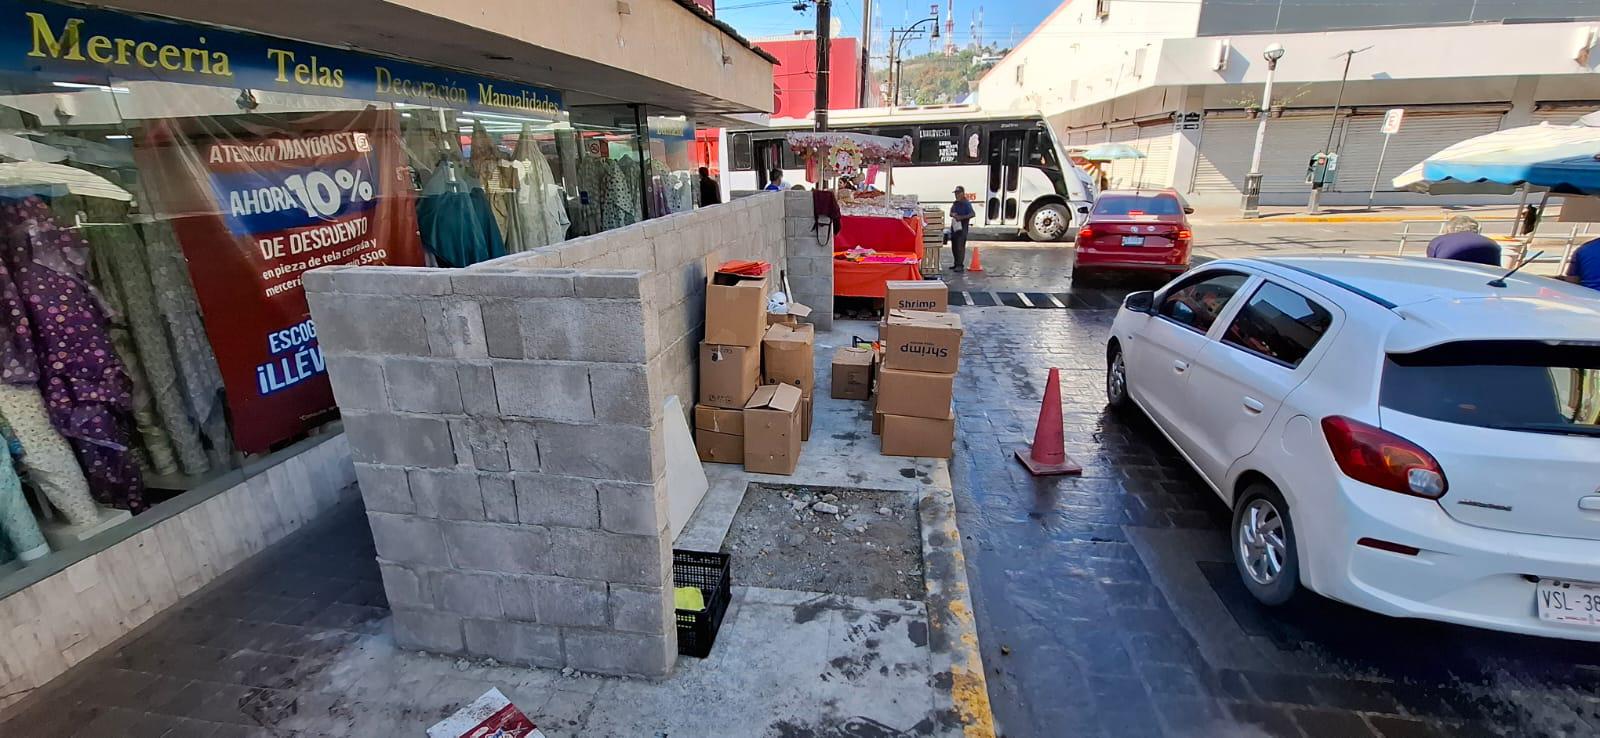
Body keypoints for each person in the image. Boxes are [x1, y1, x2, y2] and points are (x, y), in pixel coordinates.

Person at [1425, 215, 1501, 267]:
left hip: (1448, 278)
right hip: (1480, 281)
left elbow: (1432, 266)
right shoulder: (1491, 243)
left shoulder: (1438, 241)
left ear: (1449, 228)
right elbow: (1496, 269)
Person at [949, 186, 976, 272]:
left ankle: (960, 265)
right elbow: (951, 212)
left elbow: (972, 214)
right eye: (955, 193)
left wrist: (961, 217)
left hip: (962, 228)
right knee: (954, 246)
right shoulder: (955, 203)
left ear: (962, 193)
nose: (956, 195)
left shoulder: (966, 203)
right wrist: (953, 214)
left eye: (958, 193)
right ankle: (956, 263)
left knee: (960, 246)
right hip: (955, 227)